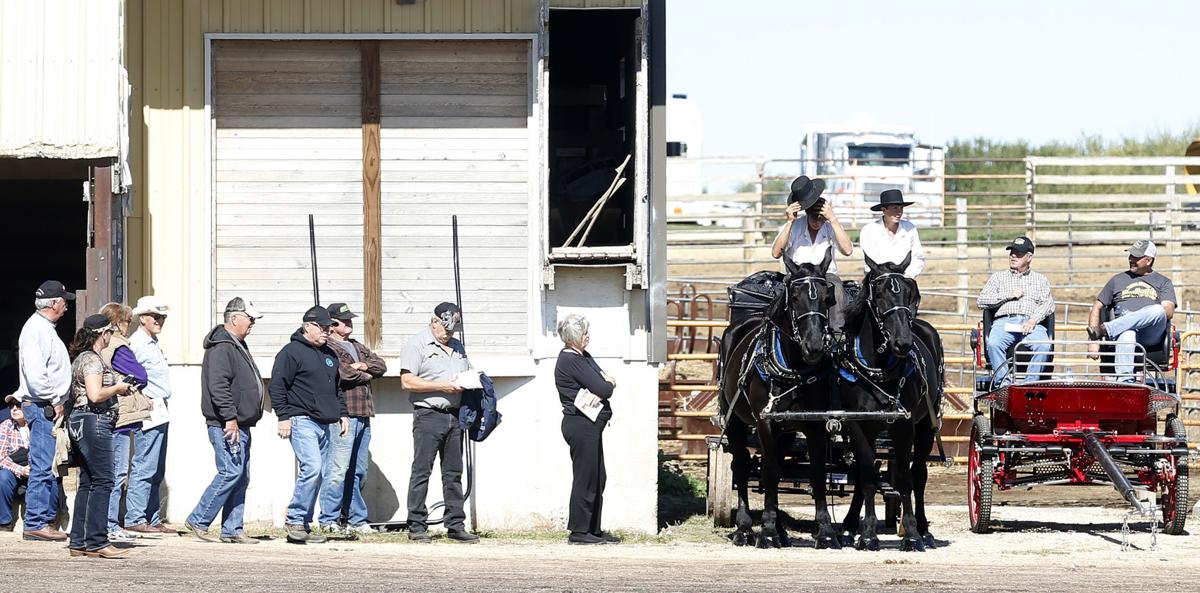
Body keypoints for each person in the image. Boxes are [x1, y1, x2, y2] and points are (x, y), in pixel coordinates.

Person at [185, 297, 264, 544]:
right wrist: (230, 417)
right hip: (226, 424)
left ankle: (232, 529)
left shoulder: (236, 345)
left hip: (240, 423)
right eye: (250, 319)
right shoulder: (222, 347)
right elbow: (218, 386)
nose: (252, 324)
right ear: (235, 318)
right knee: (231, 471)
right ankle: (199, 519)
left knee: (240, 476)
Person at [400, 302, 478, 543]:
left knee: (454, 472)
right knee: (422, 470)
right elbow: (407, 381)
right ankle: (416, 525)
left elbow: (467, 371)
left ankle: (455, 524)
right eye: (446, 328)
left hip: (455, 416)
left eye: (453, 329)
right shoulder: (416, 344)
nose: (449, 333)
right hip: (429, 415)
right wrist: (441, 386)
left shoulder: (457, 346)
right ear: (434, 321)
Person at [269, 306, 347, 544]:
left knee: (319, 473)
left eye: (329, 328)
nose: (327, 332)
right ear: (308, 326)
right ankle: (294, 519)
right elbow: (277, 386)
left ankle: (303, 524)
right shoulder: (291, 352)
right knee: (311, 468)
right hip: (301, 419)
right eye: (322, 328)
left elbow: (337, 388)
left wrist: (343, 413)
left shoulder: (329, 354)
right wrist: (283, 416)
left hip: (326, 422)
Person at [66, 314, 132, 558]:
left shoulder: (81, 358)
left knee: (88, 481)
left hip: (81, 421)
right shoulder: (92, 360)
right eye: (110, 333)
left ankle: (79, 541)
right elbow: (94, 395)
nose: (110, 337)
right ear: (103, 334)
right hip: (94, 421)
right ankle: (97, 541)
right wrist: (118, 388)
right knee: (104, 480)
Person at [317, 303, 387, 534]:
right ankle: (328, 519)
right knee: (337, 469)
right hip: (344, 414)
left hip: (364, 413)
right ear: (332, 323)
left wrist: (363, 365)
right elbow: (342, 373)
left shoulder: (357, 345)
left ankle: (356, 519)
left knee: (359, 471)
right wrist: (365, 375)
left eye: (350, 319)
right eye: (344, 320)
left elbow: (381, 365)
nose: (349, 323)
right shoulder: (327, 347)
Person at [16, 280, 74, 542]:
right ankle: (35, 522)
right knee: (42, 465)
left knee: (48, 464)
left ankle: (42, 520)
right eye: (64, 301)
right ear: (53, 303)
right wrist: (55, 398)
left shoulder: (42, 328)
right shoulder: (36, 330)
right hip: (42, 405)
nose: (66, 306)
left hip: (45, 404)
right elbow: (36, 374)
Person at [554, 314, 617, 545]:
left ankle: (593, 529)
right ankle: (579, 531)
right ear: (573, 337)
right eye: (584, 333)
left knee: (598, 477)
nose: (587, 336)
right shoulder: (570, 360)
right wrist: (606, 385)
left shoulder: (584, 356)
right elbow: (605, 386)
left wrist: (607, 384)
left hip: (591, 426)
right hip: (580, 425)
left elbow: (605, 382)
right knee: (586, 478)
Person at [770, 176, 853, 336]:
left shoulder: (830, 226)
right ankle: (782, 333)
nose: (817, 221)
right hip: (797, 276)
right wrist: (789, 222)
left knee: (836, 287)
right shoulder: (794, 226)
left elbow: (848, 250)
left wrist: (833, 219)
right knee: (784, 295)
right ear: (806, 213)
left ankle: (838, 334)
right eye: (814, 217)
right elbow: (776, 253)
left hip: (825, 275)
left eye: (821, 218)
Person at [1087, 240, 1177, 381]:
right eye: (1131, 255)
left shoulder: (1163, 282)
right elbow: (1097, 306)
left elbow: (1168, 311)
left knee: (1158, 310)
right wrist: (1093, 341)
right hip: (1123, 331)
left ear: (1148, 260)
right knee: (1127, 333)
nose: (1131, 259)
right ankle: (1126, 382)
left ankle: (1107, 329)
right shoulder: (1117, 280)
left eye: (1136, 257)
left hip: (1150, 333)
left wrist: (1138, 317)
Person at [98, 302, 149, 543]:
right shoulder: (118, 346)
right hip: (119, 416)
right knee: (117, 473)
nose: (130, 326)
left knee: (106, 473)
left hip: (105, 414)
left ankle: (106, 523)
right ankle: (109, 524)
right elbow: (141, 375)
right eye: (128, 321)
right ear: (118, 323)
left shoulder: (100, 346)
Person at [124, 296, 174, 535]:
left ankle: (151, 517)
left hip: (160, 407)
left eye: (162, 317)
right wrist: (141, 399)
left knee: (156, 465)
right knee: (145, 463)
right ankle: (135, 516)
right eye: (155, 316)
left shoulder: (152, 342)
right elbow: (126, 375)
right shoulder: (137, 343)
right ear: (142, 318)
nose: (160, 320)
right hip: (149, 408)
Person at [976, 236, 1054, 386]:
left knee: (1044, 345)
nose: (1013, 256)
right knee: (993, 343)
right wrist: (1008, 295)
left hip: (1031, 323)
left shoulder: (1040, 280)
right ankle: (1004, 385)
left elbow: (1048, 304)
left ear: (1029, 257)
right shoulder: (998, 278)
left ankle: (1029, 384)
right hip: (1005, 322)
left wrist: (1033, 320)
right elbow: (981, 300)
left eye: (1018, 253)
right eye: (1012, 252)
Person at [859, 189, 926, 278]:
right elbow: (871, 261)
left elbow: (918, 256)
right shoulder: (869, 230)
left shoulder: (910, 228)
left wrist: (909, 275)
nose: (899, 212)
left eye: (901, 208)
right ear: (884, 210)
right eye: (895, 208)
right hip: (878, 279)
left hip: (904, 278)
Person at [1, 395, 31, 531]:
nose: (14, 408)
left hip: (34, 468)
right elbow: (1, 457)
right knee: (3, 478)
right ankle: (4, 522)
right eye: (11, 406)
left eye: (18, 405)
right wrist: (21, 470)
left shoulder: (37, 425)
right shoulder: (6, 426)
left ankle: (44, 522)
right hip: (13, 469)